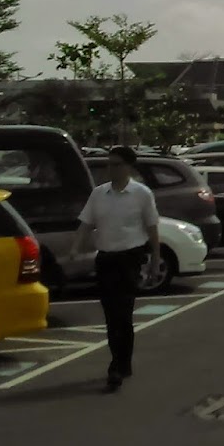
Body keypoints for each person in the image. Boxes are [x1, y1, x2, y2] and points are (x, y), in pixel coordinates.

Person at [70, 145, 160, 391]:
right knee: (111, 316)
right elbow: (85, 224)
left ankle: (118, 366)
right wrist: (75, 248)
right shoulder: (99, 194)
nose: (111, 168)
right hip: (106, 258)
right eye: (109, 164)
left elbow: (152, 228)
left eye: (117, 164)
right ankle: (120, 361)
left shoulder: (141, 194)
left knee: (123, 312)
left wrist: (155, 259)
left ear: (129, 166)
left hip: (130, 258)